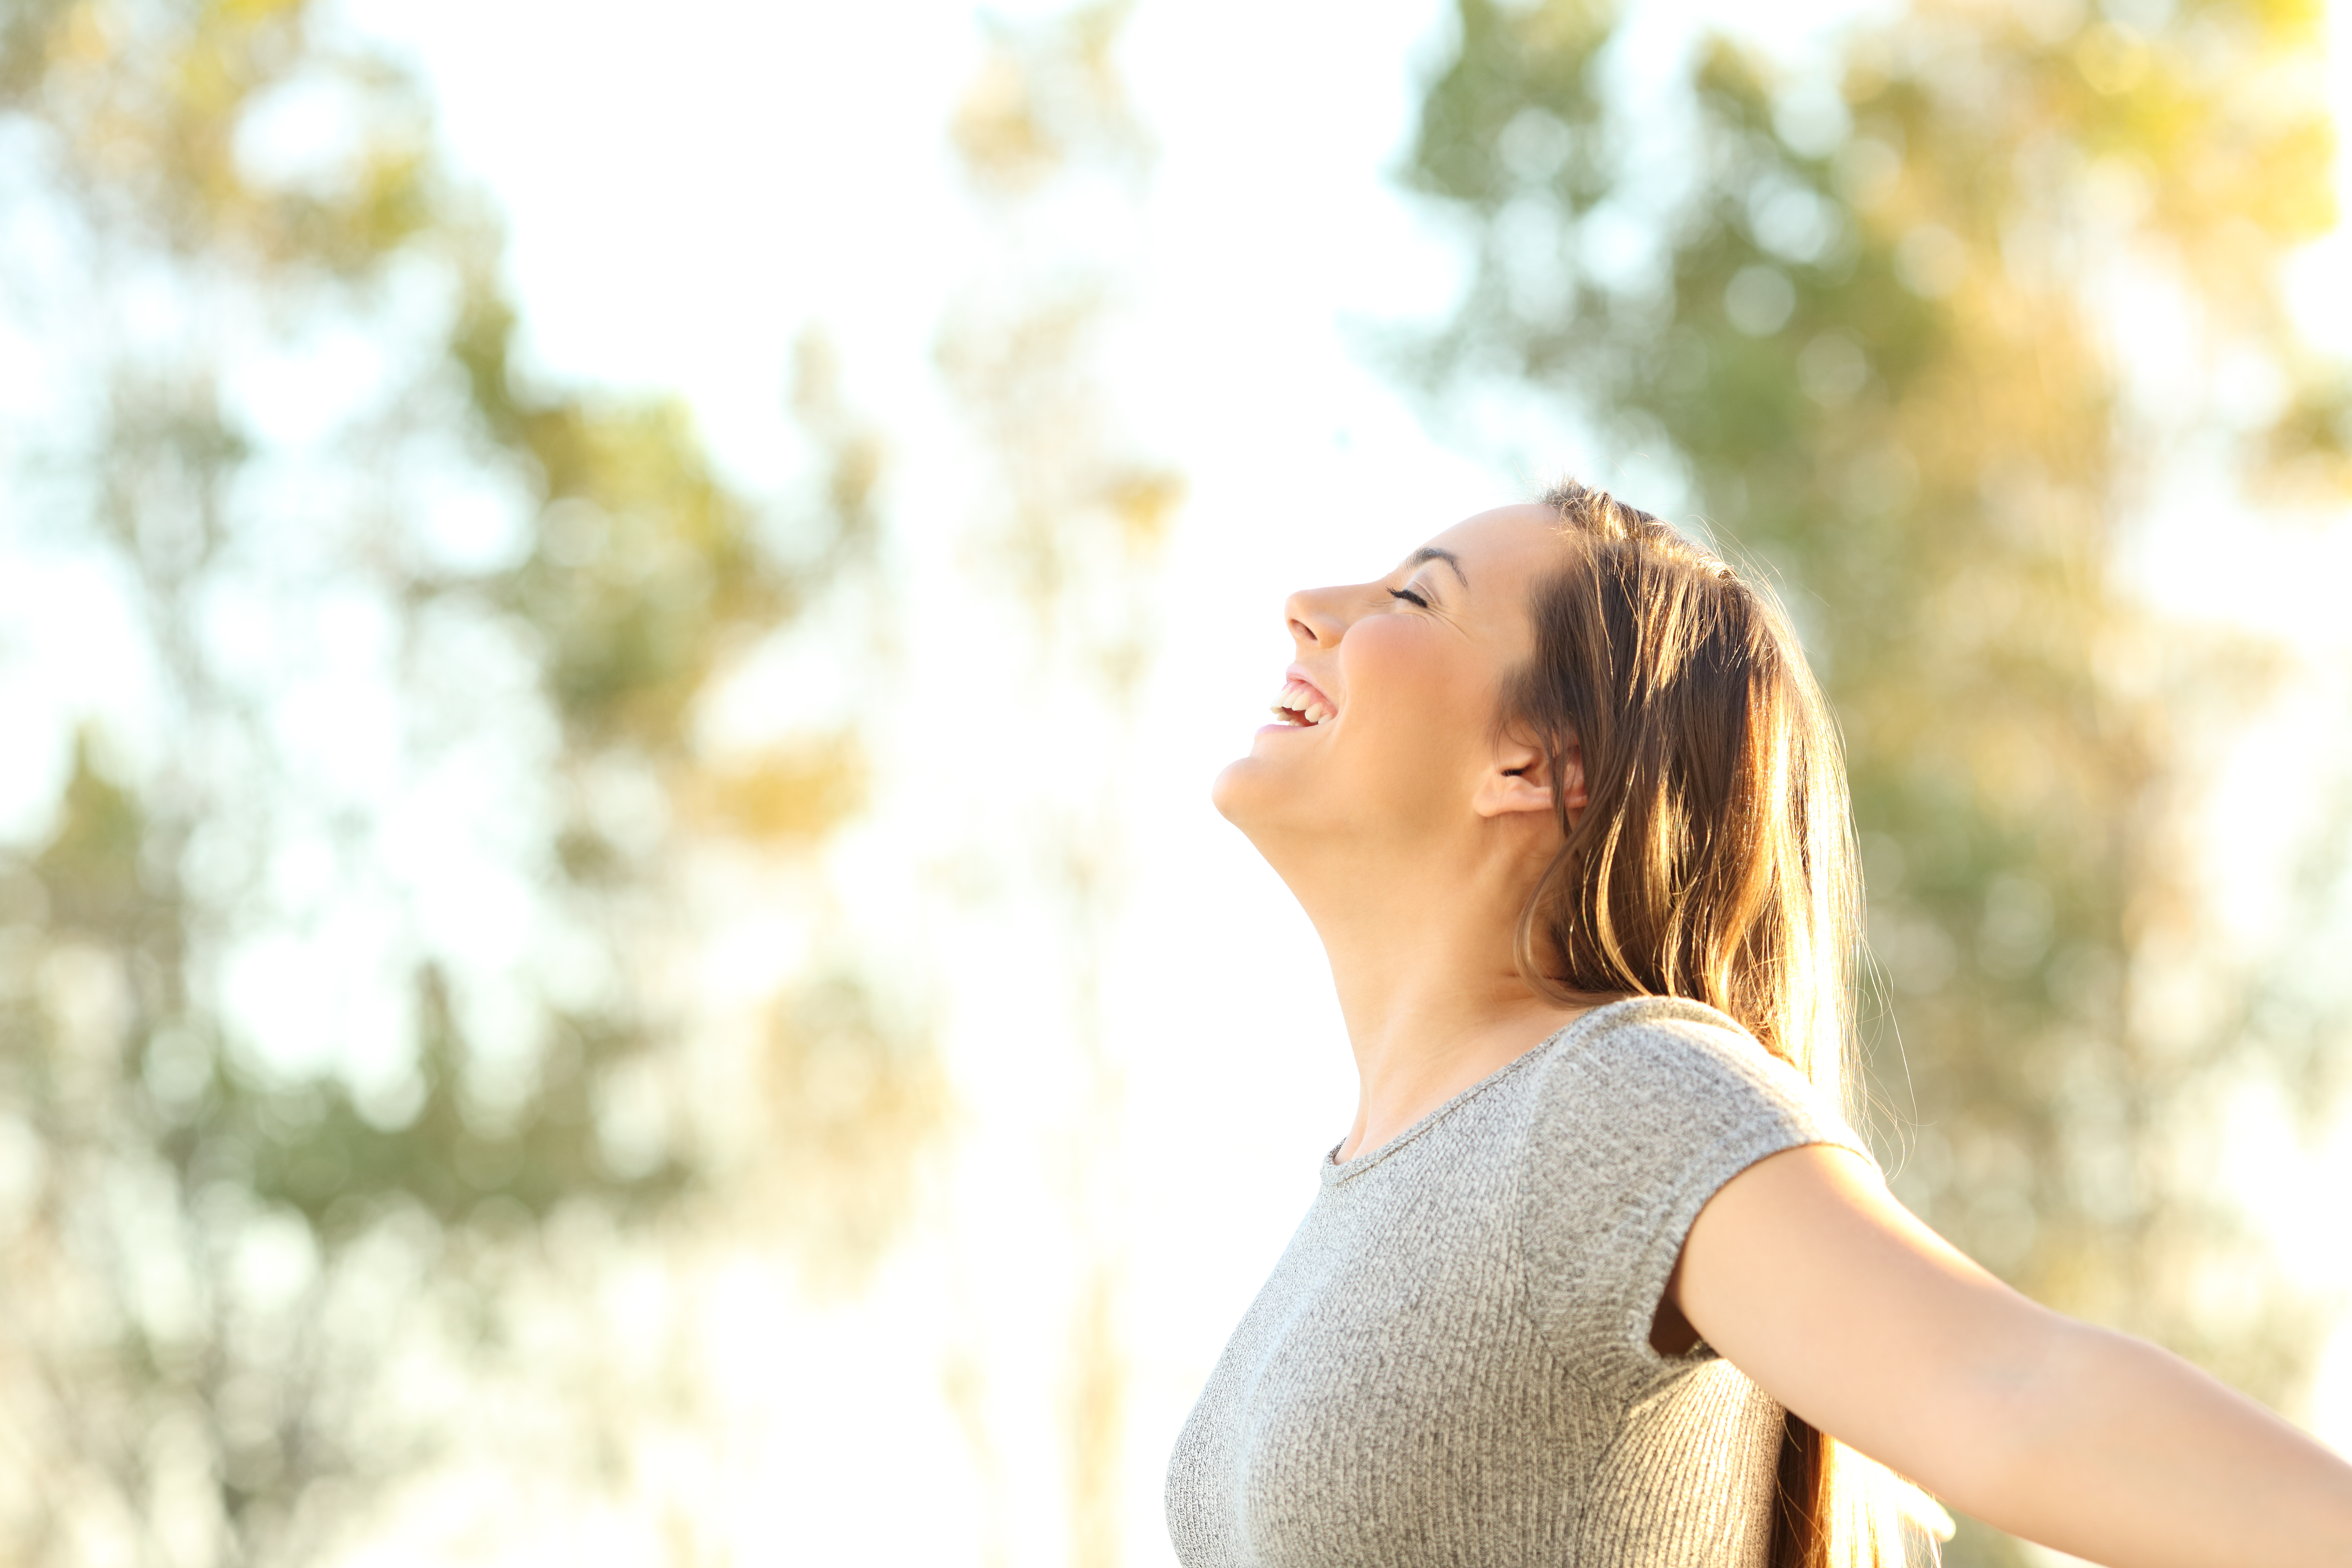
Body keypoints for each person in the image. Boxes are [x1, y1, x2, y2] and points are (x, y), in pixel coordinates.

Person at [1164, 482, 2352, 1567]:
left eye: (1414, 596)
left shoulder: (1613, 1098)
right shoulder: (1362, 1194)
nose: (1309, 609)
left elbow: (2013, 1392)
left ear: (1536, 765)